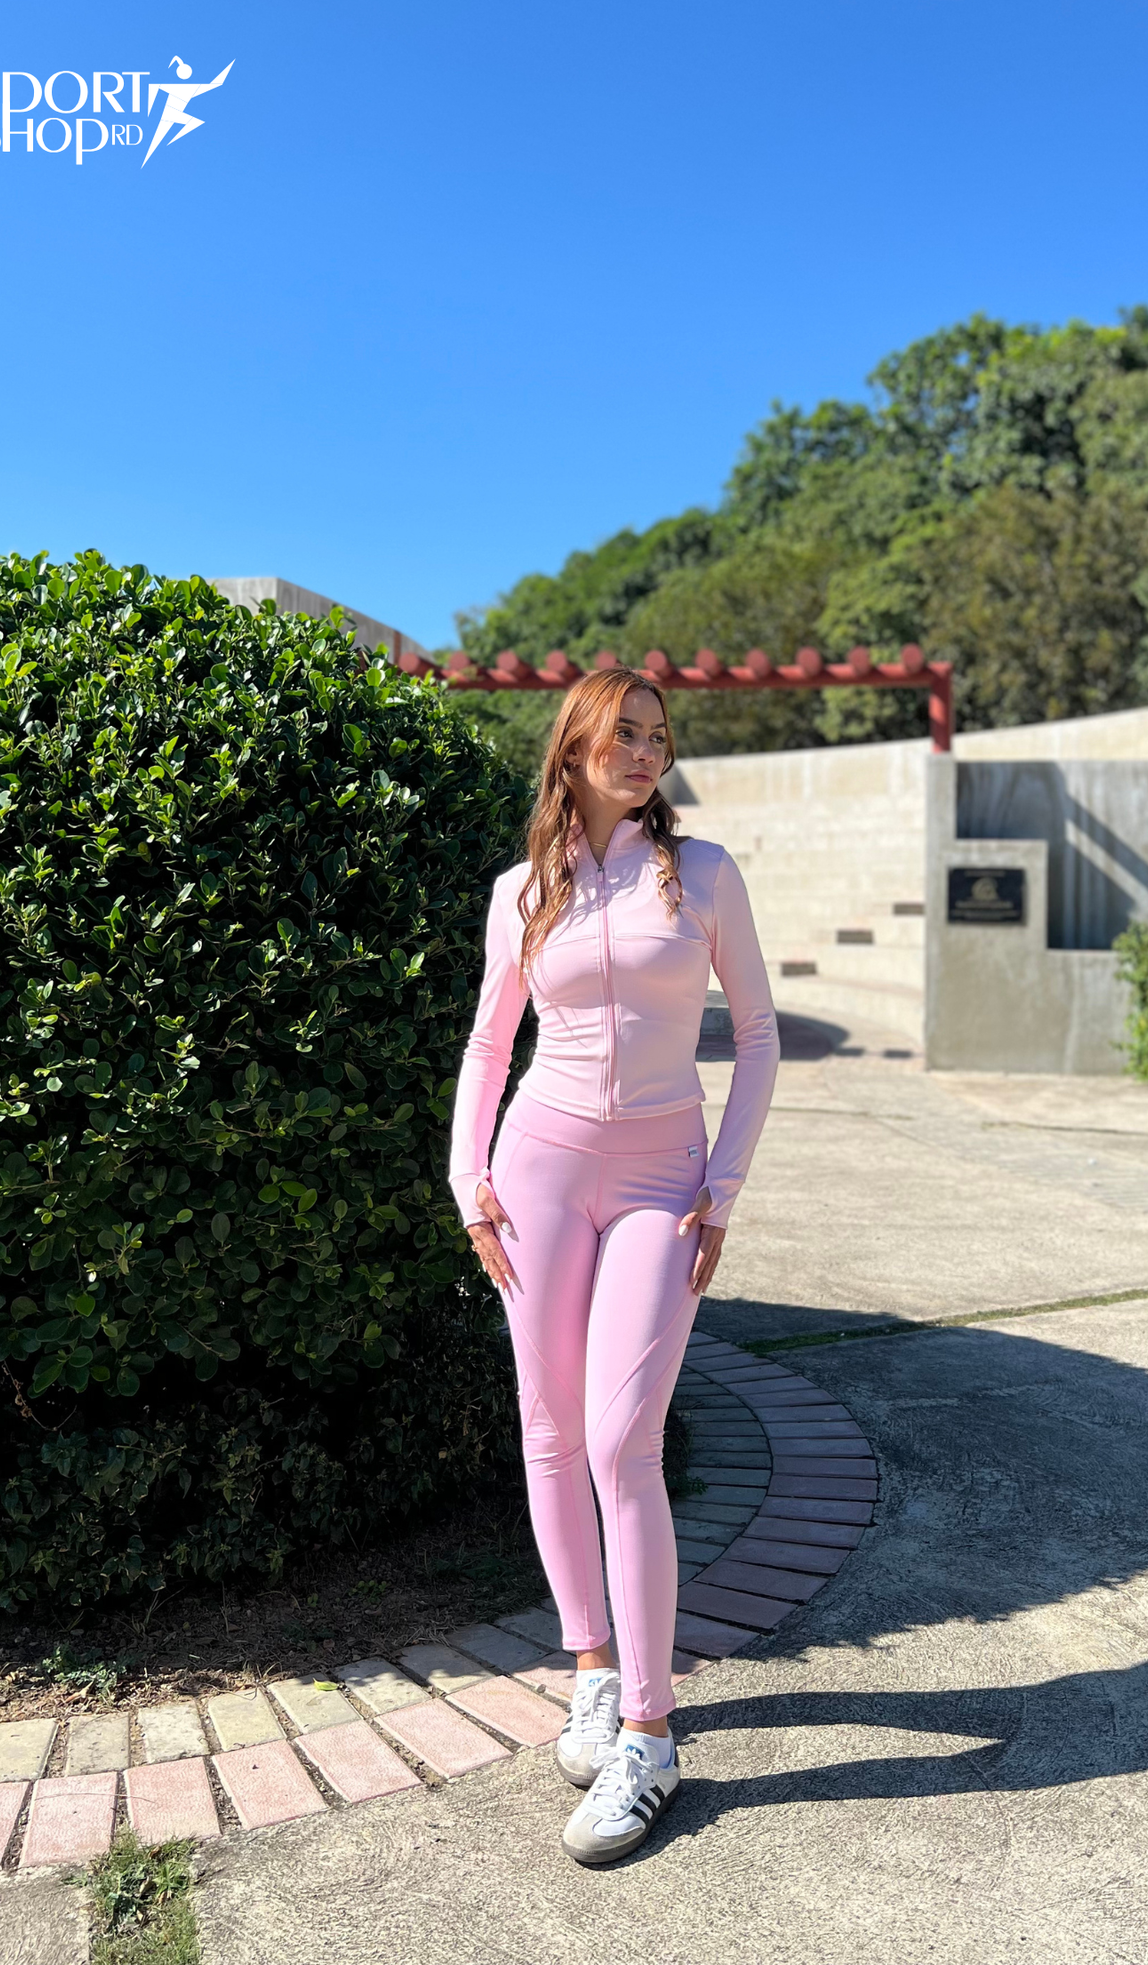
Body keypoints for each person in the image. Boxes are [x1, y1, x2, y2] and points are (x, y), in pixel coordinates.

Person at [448, 667, 779, 1865]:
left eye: (658, 735)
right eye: (624, 732)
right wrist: (467, 1173)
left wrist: (721, 1186)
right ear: (574, 746)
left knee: (621, 1436)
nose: (646, 751)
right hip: (537, 1169)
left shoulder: (703, 875)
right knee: (547, 1428)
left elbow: (758, 1034)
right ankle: (592, 1667)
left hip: (660, 1178)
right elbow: (491, 1041)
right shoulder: (523, 888)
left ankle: (650, 1730)